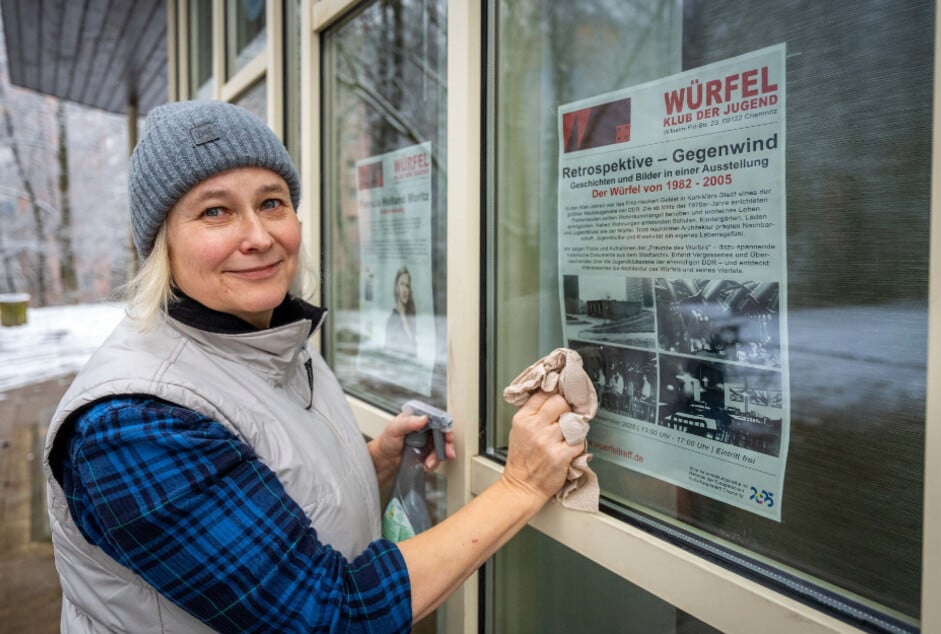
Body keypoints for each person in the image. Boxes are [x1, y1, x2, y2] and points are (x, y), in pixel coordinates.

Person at [42, 101, 583, 633]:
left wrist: (374, 464)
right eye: (215, 211)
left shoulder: (275, 341)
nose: (258, 236)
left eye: (272, 203)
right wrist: (520, 486)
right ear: (161, 244)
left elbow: (274, 509)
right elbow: (329, 615)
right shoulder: (131, 424)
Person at [384, 265, 417, 357]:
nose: (405, 290)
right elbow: (389, 355)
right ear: (396, 288)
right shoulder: (391, 321)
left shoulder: (411, 316)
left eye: (407, 285)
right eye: (401, 284)